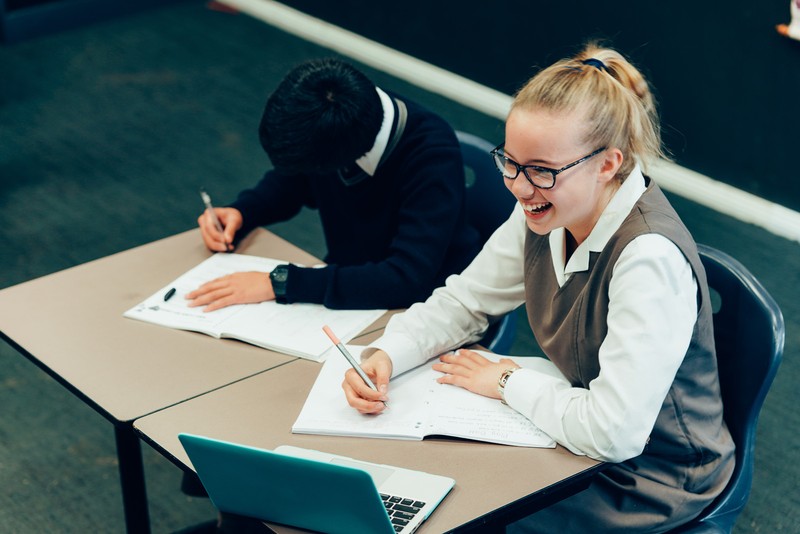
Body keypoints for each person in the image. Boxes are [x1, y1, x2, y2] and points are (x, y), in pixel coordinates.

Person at [342, 43, 735, 533]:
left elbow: (613, 434)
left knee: (454, 514)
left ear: (608, 164)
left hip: (651, 476)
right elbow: (466, 301)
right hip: (576, 428)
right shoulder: (544, 206)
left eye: (542, 171)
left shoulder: (648, 258)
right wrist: (388, 352)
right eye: (510, 162)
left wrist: (506, 382)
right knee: (417, 478)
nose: (519, 187)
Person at [186, 57, 480, 311]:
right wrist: (243, 212)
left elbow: (404, 277)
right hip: (349, 284)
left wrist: (280, 282)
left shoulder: (431, 153)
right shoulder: (336, 113)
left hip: (427, 305)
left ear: (342, 160)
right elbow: (292, 181)